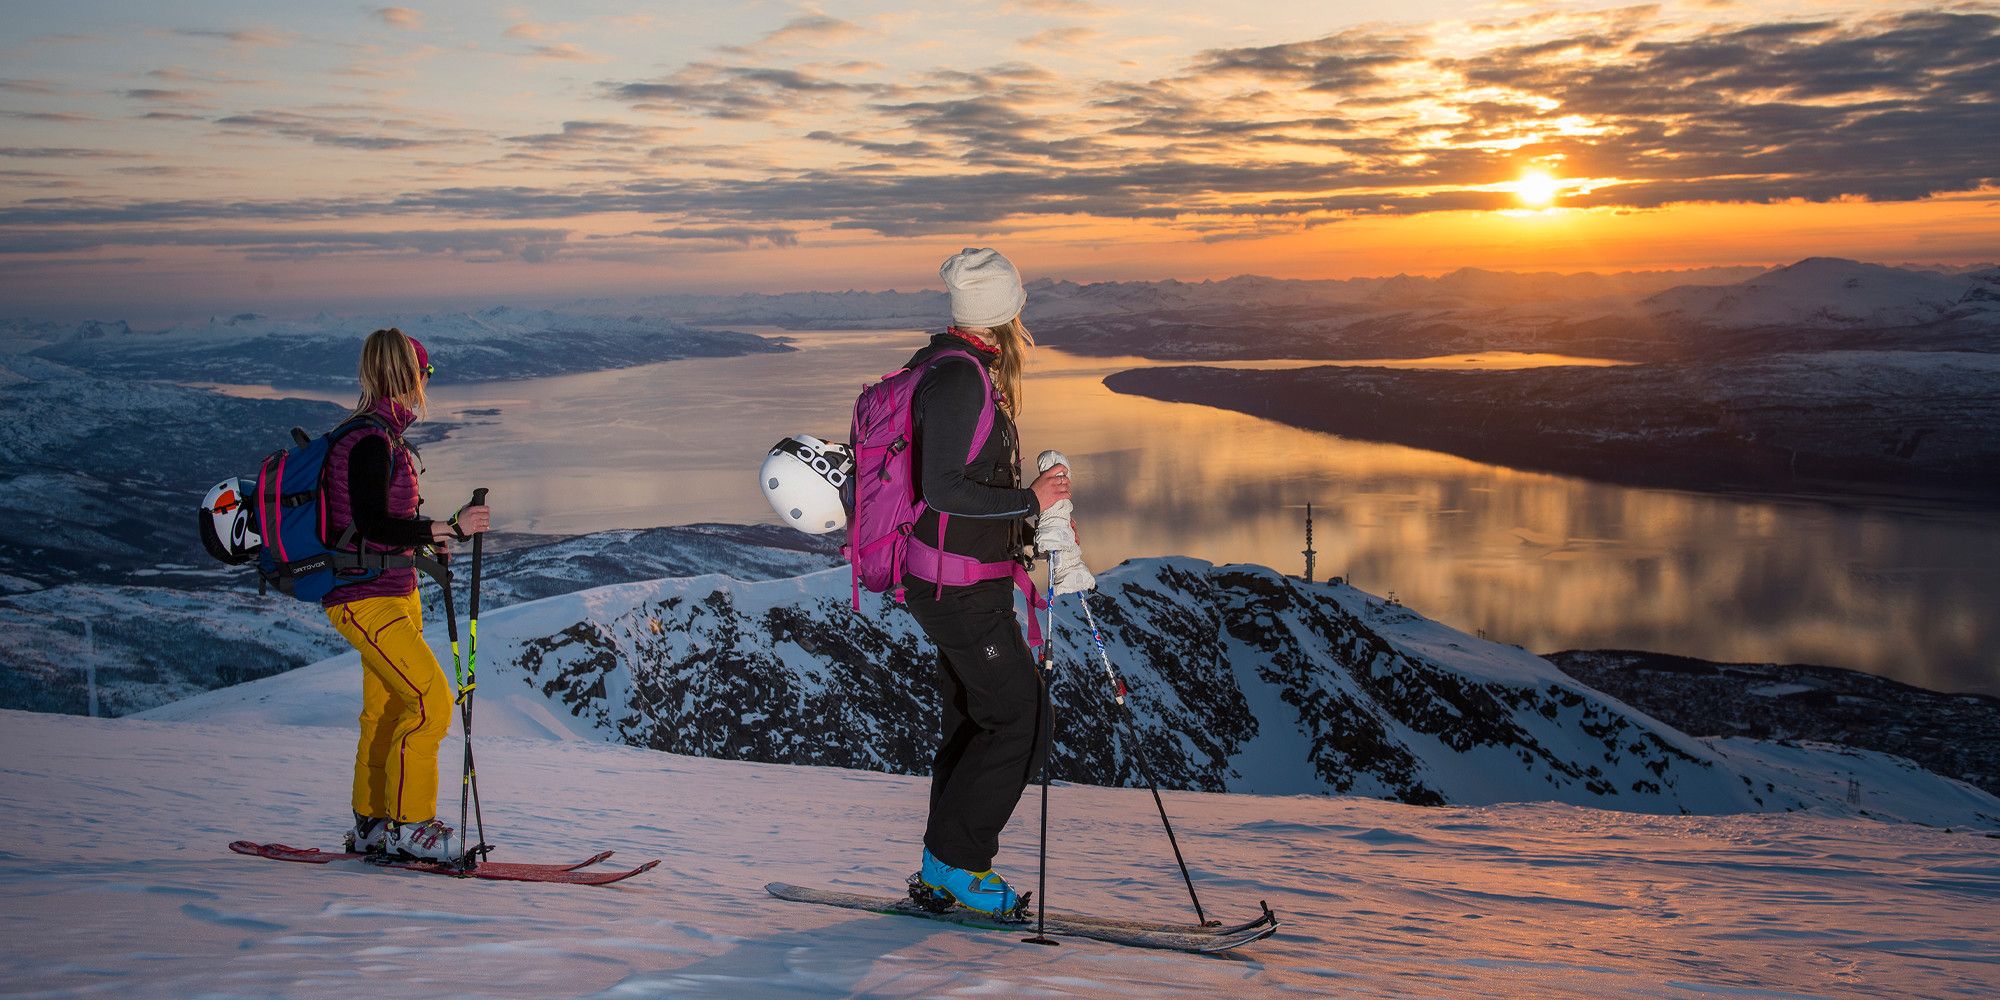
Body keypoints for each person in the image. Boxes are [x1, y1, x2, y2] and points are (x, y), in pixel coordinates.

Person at [903, 248, 1072, 915]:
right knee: (1023, 721)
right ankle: (962, 868)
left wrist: (1031, 524)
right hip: (959, 590)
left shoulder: (951, 368)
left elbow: (965, 486)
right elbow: (941, 489)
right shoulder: (961, 380)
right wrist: (1031, 504)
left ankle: (942, 862)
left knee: (976, 719)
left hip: (959, 580)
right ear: (1005, 311)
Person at [325, 328, 491, 862]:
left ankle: (374, 821)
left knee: (387, 710)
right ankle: (410, 826)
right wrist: (442, 526)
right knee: (430, 702)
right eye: (426, 373)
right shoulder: (370, 441)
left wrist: (436, 537)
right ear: (408, 374)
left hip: (389, 590)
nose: (427, 382)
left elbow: (382, 525)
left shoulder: (378, 436)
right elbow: (372, 525)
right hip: (367, 598)